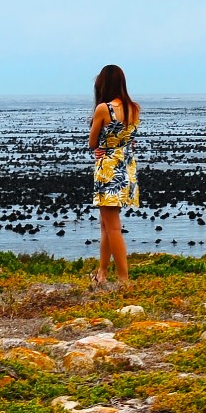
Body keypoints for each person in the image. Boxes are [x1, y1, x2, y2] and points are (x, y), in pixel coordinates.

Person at [87, 64, 140, 288]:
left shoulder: (103, 109)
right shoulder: (134, 108)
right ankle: (102, 273)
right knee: (106, 225)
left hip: (108, 168)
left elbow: (92, 142)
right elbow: (129, 138)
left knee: (113, 227)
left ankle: (123, 279)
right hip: (126, 168)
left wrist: (101, 147)